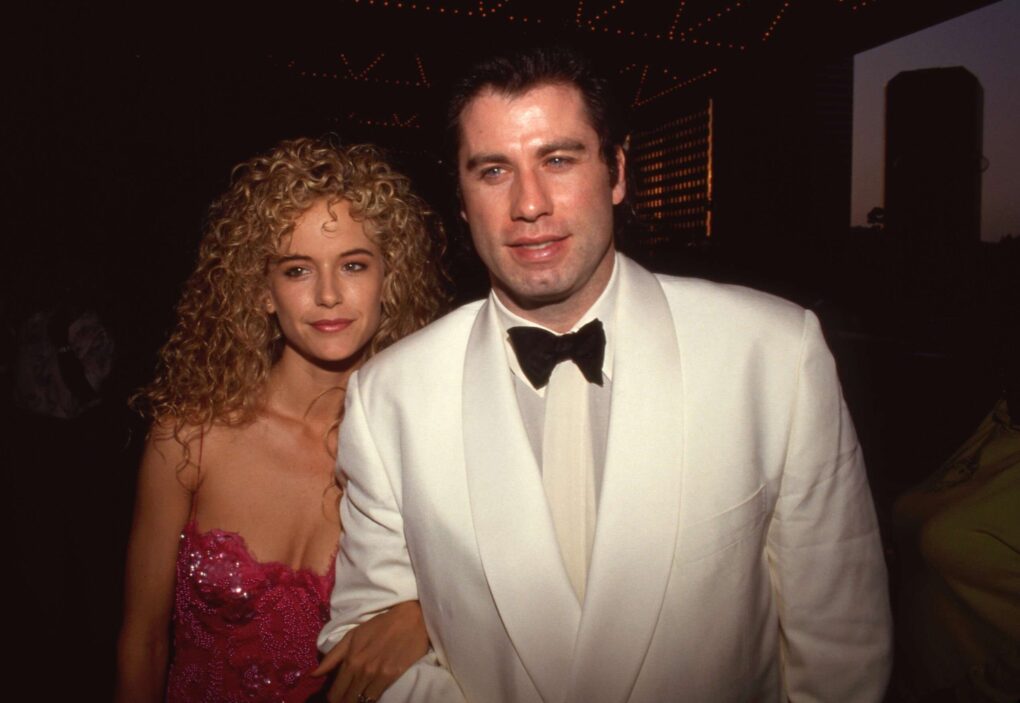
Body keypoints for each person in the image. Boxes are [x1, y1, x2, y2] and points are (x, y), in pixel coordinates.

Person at [318, 46, 893, 702]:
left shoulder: (773, 353)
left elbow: (842, 648)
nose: (528, 204)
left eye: (558, 160)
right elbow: (361, 642)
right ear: (460, 195)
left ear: (617, 171)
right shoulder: (389, 396)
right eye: (493, 170)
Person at [116, 137, 445, 703]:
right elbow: (143, 644)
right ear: (263, 292)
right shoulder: (191, 439)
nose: (328, 294)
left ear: (390, 279)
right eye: (297, 270)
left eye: (354, 265)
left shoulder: (422, 448)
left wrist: (429, 617)